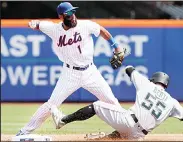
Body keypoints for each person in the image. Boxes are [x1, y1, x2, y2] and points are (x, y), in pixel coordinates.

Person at [16, 2, 126, 136]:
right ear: (61, 17)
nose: (72, 16)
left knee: (112, 101)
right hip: (69, 74)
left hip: (90, 72)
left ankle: (126, 129)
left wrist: (116, 46)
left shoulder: (86, 25)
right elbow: (39, 24)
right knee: (51, 105)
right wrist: (34, 23)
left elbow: (102, 31)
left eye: (73, 12)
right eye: (68, 14)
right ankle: (23, 132)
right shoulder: (54, 29)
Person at [51, 65, 183, 141]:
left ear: (154, 80)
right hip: (138, 136)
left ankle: (62, 120)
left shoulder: (147, 85)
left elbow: (130, 70)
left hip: (129, 122)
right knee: (116, 136)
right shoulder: (173, 102)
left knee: (97, 106)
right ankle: (103, 138)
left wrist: (123, 59)